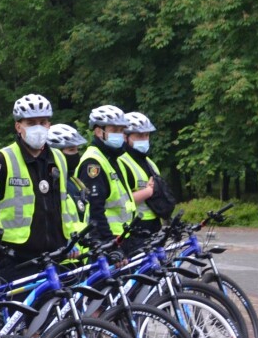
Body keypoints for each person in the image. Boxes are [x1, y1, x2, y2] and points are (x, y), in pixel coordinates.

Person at [0, 94, 67, 280]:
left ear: (50, 125)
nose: (38, 128)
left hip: (55, 255)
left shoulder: (59, 158)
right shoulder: (2, 159)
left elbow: (64, 204)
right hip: (16, 258)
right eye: (31, 123)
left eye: (43, 122)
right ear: (19, 126)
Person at [74, 104, 138, 249]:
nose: (120, 134)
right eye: (114, 130)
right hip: (107, 240)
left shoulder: (114, 158)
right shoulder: (93, 163)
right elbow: (95, 210)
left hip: (122, 236)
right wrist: (110, 242)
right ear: (98, 131)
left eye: (122, 130)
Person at [117, 110, 176, 245]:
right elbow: (120, 201)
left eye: (146, 135)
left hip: (154, 223)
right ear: (125, 137)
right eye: (139, 136)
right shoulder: (121, 162)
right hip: (135, 226)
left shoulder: (149, 162)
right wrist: (147, 192)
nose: (144, 140)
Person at [48, 123, 93, 256]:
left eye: (77, 150)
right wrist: (64, 243)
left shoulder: (75, 182)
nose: (76, 155)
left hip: (81, 256)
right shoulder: (52, 183)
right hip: (62, 259)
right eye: (71, 150)